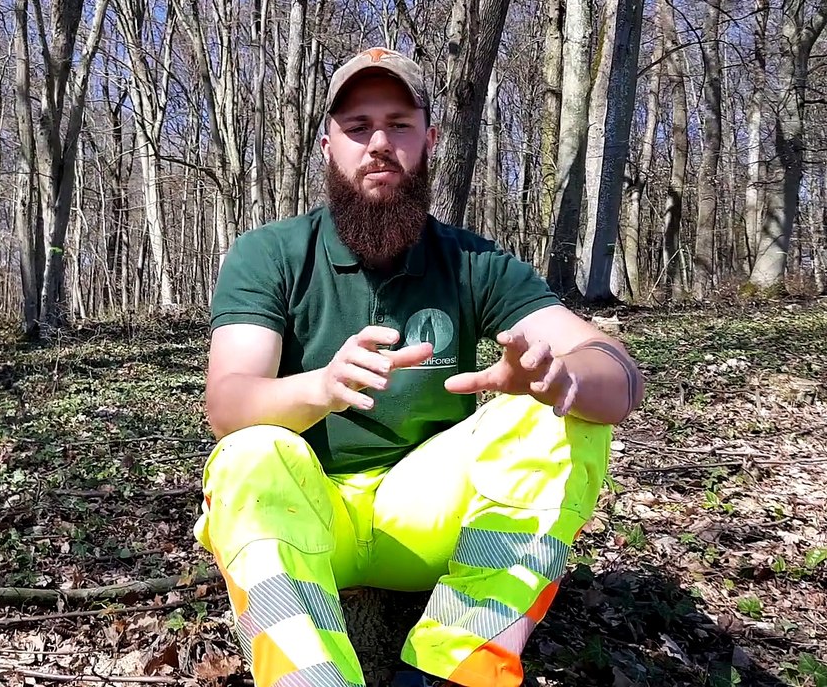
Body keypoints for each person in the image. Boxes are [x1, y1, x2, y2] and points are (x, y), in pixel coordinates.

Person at [193, 47, 645, 687]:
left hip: (426, 514)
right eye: (357, 127)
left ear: (429, 139)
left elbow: (618, 371)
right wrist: (320, 386)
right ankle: (310, 679)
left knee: (559, 416)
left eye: (399, 124)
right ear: (328, 144)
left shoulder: (471, 261)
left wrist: (563, 379)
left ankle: (454, 669)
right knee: (246, 456)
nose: (379, 144)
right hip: (308, 517)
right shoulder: (271, 254)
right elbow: (228, 403)